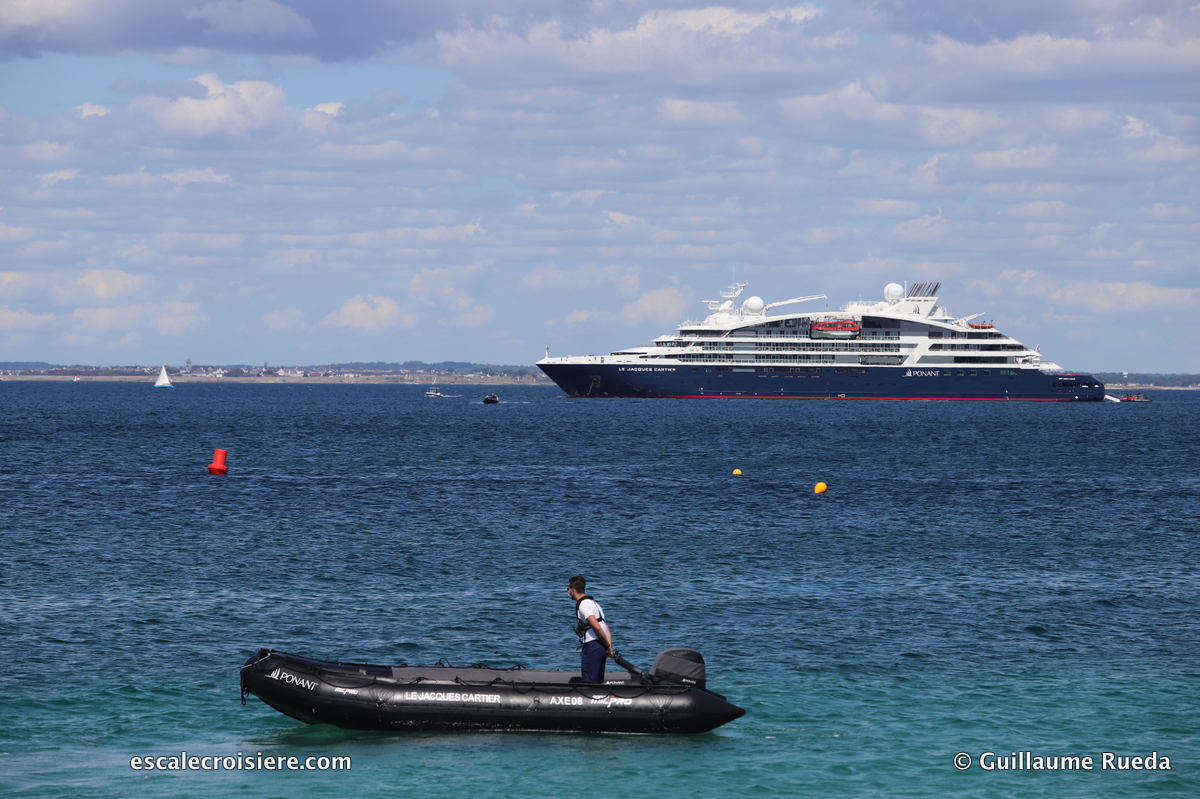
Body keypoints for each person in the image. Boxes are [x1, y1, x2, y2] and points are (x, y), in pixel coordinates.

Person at [568, 575, 613, 683]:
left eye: (568, 589)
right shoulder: (595, 604)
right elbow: (606, 627)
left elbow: (597, 627)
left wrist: (607, 646)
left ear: (573, 590)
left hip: (593, 646)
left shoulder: (583, 606)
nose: (568, 591)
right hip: (601, 645)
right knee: (598, 681)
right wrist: (608, 646)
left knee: (589, 682)